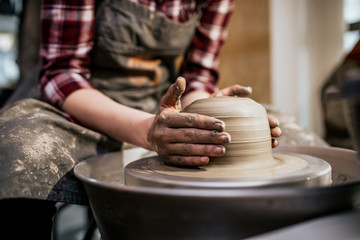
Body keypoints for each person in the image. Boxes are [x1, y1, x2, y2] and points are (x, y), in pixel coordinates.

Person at [0, 0, 281, 239]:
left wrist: (208, 112)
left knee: (289, 136)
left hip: (161, 104)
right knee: (15, 152)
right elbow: (62, 73)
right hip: (74, 104)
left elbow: (198, 77)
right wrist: (148, 131)